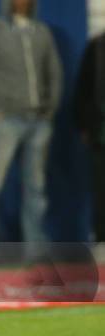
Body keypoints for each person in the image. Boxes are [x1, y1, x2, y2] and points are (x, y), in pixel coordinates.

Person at [0, 0, 62, 242]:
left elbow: (54, 73)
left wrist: (49, 110)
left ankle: (36, 247)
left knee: (36, 188)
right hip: (7, 122)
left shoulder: (41, 32)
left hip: (39, 120)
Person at [74, 32, 105, 242]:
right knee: (101, 190)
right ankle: (102, 237)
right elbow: (82, 89)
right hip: (100, 134)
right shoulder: (97, 47)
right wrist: (84, 126)